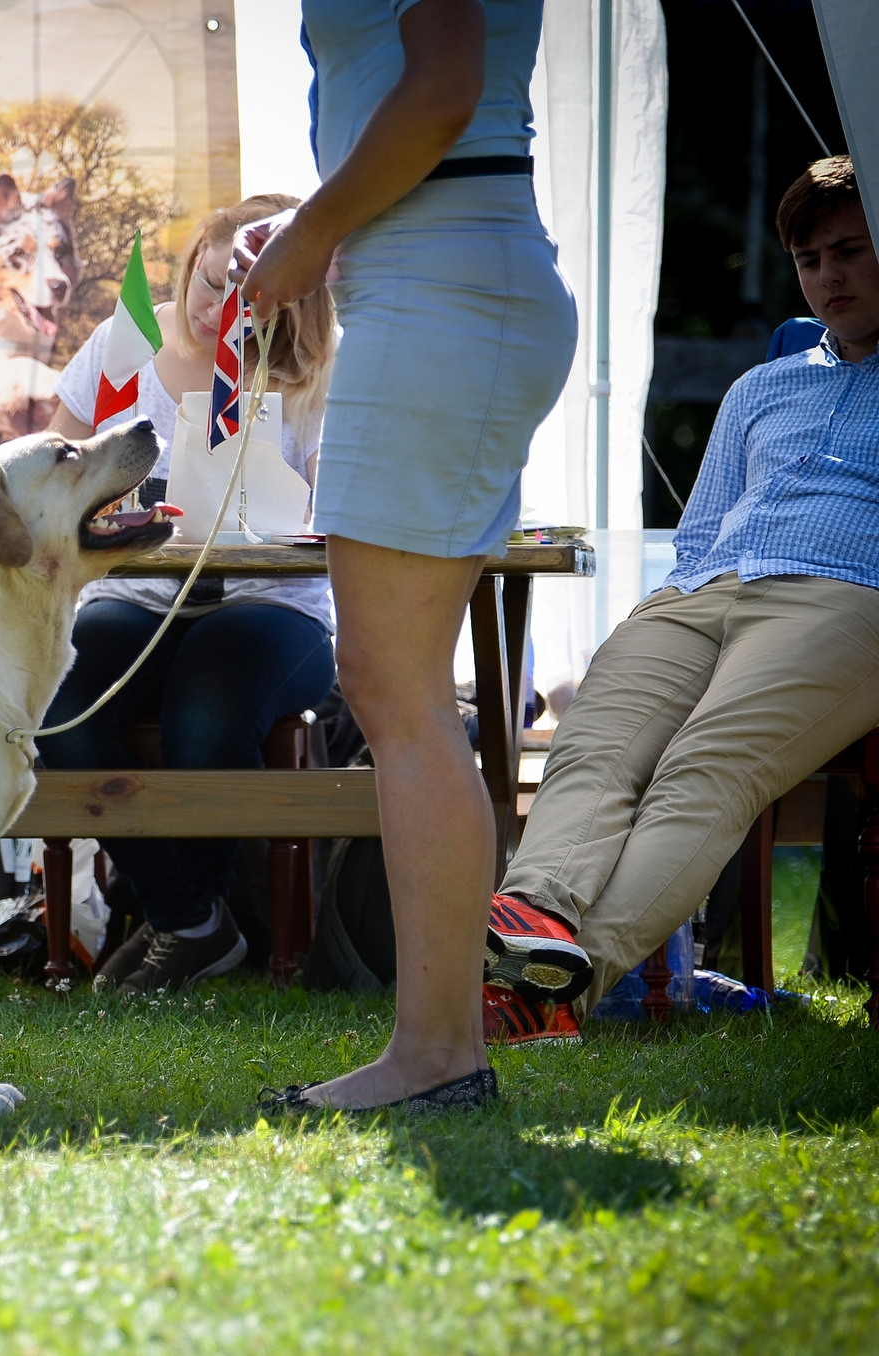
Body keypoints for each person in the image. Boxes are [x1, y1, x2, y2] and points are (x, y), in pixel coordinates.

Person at [239, 0, 575, 1110]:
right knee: (396, 691)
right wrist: (317, 227)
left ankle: (435, 1055)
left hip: (441, 289)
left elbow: (439, 94)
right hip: (432, 281)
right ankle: (436, 1050)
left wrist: (303, 237)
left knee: (398, 695)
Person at [482, 157, 879, 1044]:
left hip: (848, 595)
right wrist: (670, 611)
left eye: (851, 251)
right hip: (706, 592)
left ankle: (546, 995)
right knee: (591, 745)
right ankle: (530, 931)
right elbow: (700, 534)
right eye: (812, 260)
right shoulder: (763, 387)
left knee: (702, 771)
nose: (830, 277)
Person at [37, 196, 339, 993]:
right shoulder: (127, 339)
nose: (216, 309)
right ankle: (191, 920)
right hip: (139, 591)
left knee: (208, 705)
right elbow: (55, 461)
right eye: (209, 283)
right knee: (54, 697)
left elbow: (336, 518)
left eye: (241, 296)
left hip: (273, 603)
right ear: (193, 263)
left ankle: (179, 922)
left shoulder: (318, 371)